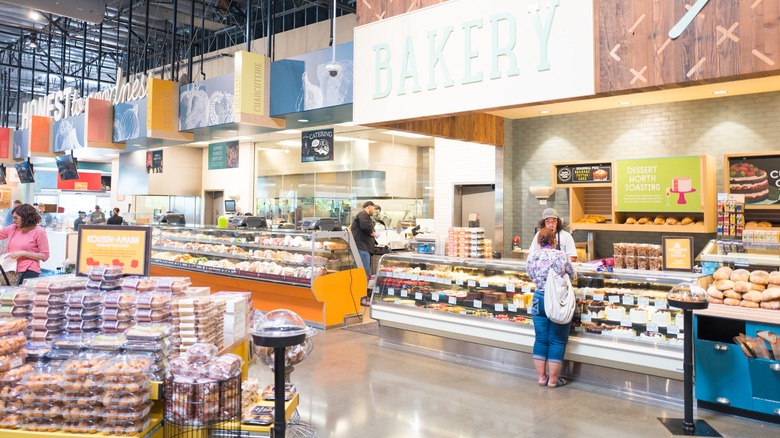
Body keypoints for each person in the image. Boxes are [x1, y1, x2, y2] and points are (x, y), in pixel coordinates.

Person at [526, 227, 575, 388]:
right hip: (556, 300)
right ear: (554, 240)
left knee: (540, 339)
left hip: (538, 299)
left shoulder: (532, 256)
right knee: (557, 341)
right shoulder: (559, 255)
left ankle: (541, 378)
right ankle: (553, 380)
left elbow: (530, 275)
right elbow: (572, 275)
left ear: (539, 241)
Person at [0, 203, 50, 285]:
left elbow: (45, 255)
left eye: (16, 218)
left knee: (24, 295)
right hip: (11, 269)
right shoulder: (13, 228)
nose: (13, 220)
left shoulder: (39, 231)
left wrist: (24, 253)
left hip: (29, 270)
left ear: (25, 218)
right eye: (13, 218)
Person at [351, 201, 378, 282]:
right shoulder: (362, 214)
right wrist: (374, 234)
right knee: (364, 272)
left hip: (364, 247)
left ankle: (362, 291)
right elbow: (365, 227)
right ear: (369, 207)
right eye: (374, 209)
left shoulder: (365, 216)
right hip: (362, 248)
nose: (374, 211)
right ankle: (362, 292)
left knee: (364, 271)